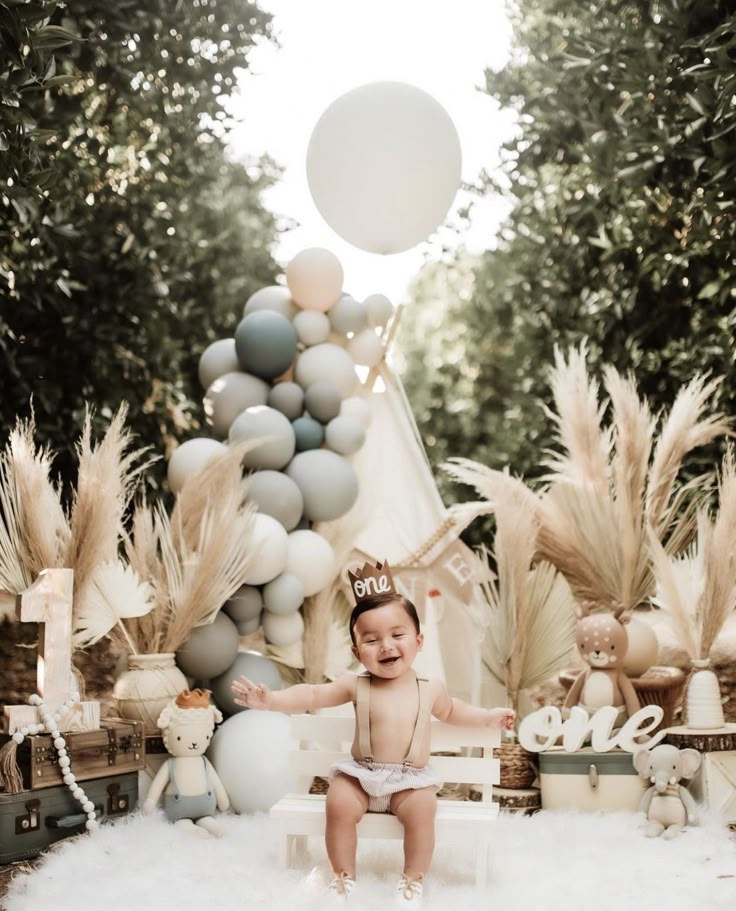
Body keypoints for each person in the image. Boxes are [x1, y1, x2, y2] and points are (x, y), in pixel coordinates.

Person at [231, 568, 514, 908]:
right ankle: (343, 877)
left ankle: (412, 880)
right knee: (337, 803)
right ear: (356, 651)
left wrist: (486, 718)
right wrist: (273, 701)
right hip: (361, 775)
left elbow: (454, 711)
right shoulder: (355, 684)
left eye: (398, 634)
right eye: (371, 639)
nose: (386, 646)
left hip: (410, 781)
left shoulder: (430, 687)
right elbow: (312, 695)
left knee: (424, 809)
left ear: (418, 641)